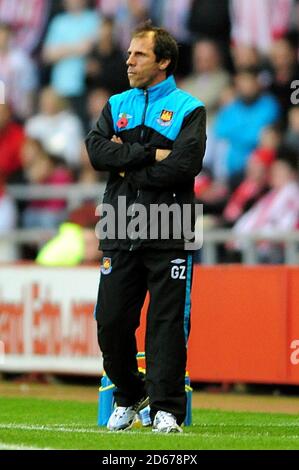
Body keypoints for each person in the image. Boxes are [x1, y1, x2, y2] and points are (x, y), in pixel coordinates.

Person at [85, 23, 206, 433]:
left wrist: (127, 164)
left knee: (166, 323)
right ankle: (131, 391)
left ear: (164, 61)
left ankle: (167, 409)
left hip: (171, 225)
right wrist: (150, 155)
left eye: (139, 55)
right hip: (120, 224)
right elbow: (96, 151)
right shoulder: (116, 103)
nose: (129, 61)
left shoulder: (190, 108)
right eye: (129, 53)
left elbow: (184, 166)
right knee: (111, 320)